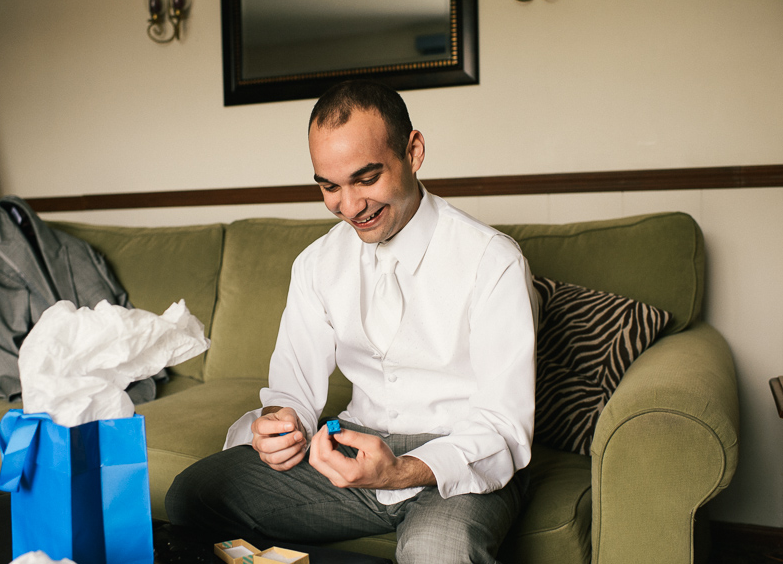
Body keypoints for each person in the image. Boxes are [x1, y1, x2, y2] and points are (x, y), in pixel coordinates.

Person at [166, 80, 537, 563]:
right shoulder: (316, 264)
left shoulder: (494, 261)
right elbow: (291, 393)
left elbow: (501, 428)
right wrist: (282, 424)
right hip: (353, 454)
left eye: (366, 178)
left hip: (463, 462)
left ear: (414, 151)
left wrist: (401, 470)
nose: (350, 206)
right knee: (190, 495)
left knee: (435, 552)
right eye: (329, 186)